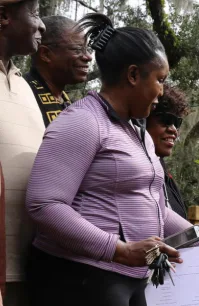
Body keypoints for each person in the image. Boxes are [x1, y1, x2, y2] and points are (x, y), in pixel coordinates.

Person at [25, 13, 199, 306]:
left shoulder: (136, 131)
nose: (161, 92)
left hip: (129, 278)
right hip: (82, 276)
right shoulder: (81, 122)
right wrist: (119, 250)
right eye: (160, 80)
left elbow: (158, 208)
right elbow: (44, 205)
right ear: (132, 75)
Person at [0, 0, 45, 304]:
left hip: (29, 266)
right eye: (35, 13)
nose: (42, 25)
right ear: (3, 16)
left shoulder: (25, 87)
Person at [24, 15, 92, 127]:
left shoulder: (64, 100)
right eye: (78, 49)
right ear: (45, 54)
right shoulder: (22, 93)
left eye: (87, 49)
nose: (88, 57)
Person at [146, 84, 189, 219]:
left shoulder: (165, 174)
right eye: (166, 120)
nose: (173, 130)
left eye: (177, 123)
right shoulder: (138, 172)